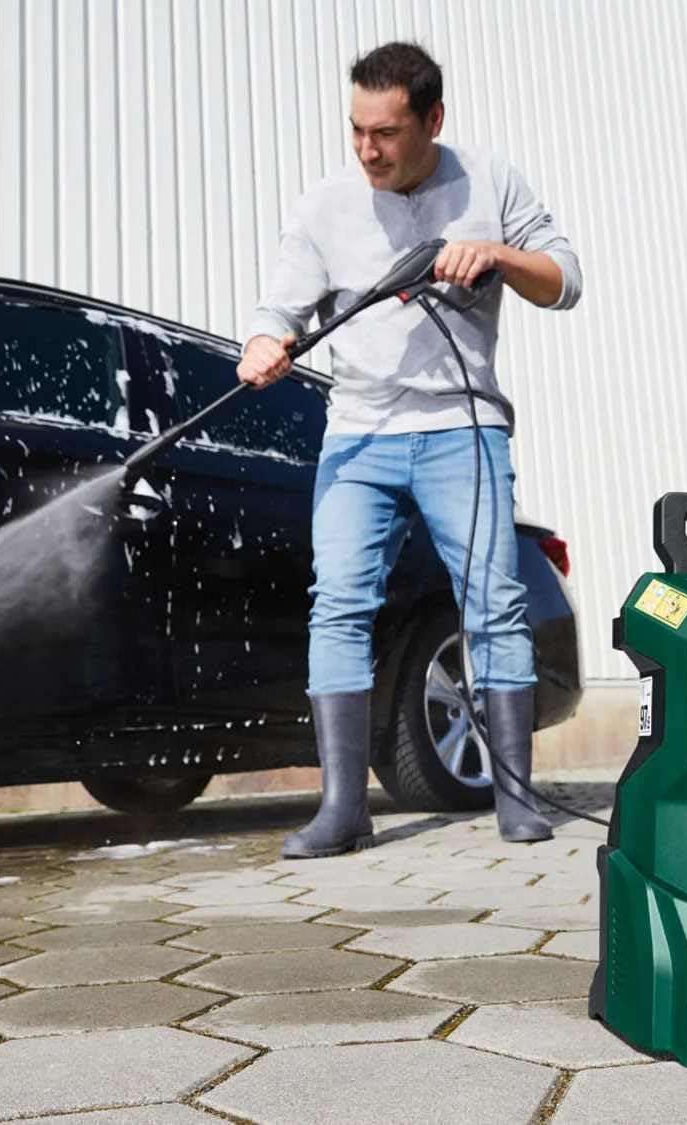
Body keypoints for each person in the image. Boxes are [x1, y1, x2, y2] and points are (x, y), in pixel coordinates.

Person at [237, 42, 583, 858]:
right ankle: (342, 809)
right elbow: (278, 306)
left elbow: (565, 279)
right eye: (356, 130)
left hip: (461, 430)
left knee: (493, 602)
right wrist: (263, 342)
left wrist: (494, 255)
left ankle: (517, 798)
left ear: (432, 119)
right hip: (359, 434)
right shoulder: (325, 205)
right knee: (340, 604)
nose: (367, 150)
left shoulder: (489, 180)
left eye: (386, 133)